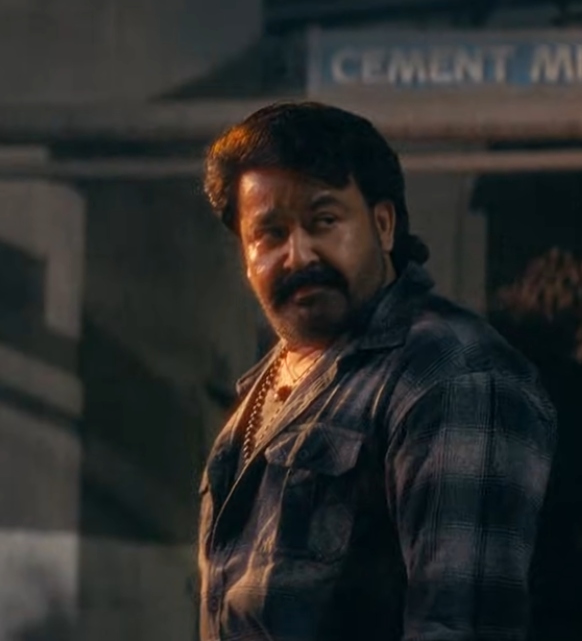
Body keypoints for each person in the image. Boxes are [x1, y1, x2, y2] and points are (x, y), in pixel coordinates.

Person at [196, 101, 556, 641]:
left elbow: (460, 626)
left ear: (383, 225)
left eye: (324, 221)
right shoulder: (266, 385)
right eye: (269, 234)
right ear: (246, 255)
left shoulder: (449, 372)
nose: (298, 255)